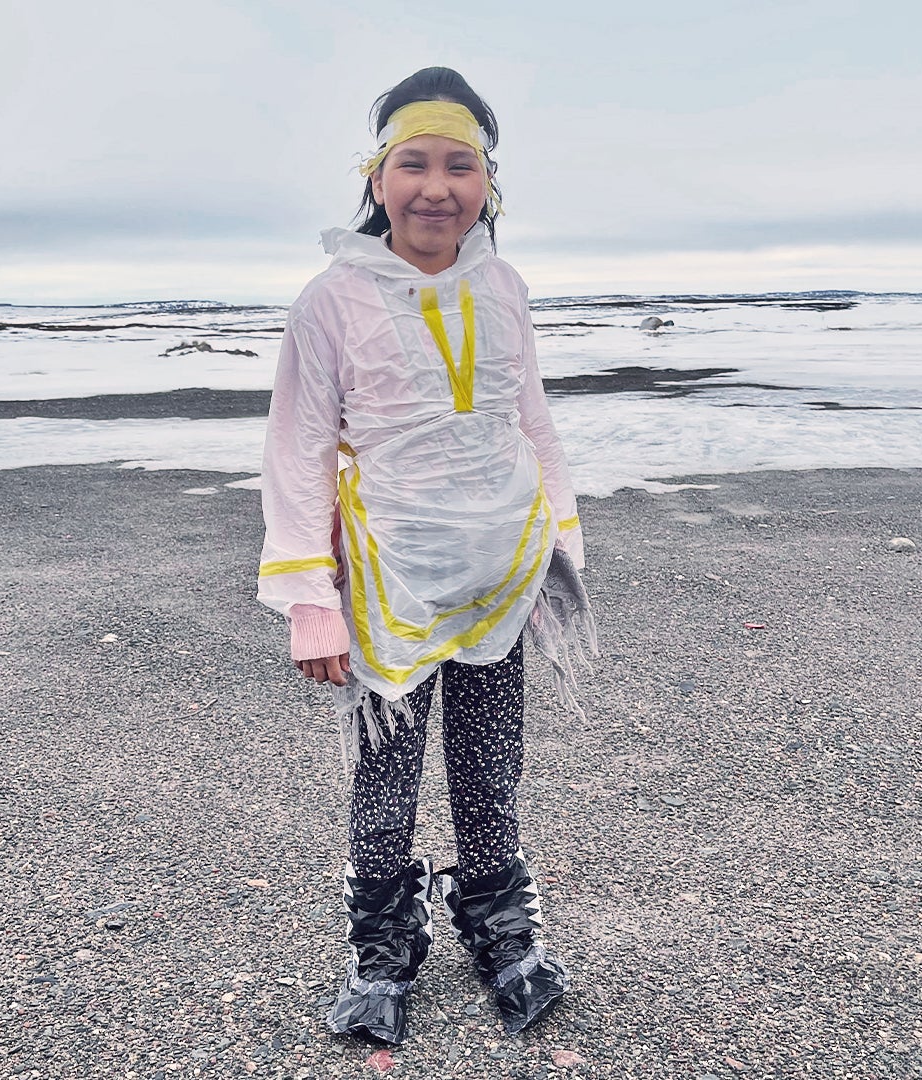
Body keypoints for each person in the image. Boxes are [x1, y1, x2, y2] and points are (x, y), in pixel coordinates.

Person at [257, 66, 595, 1045]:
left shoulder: (506, 288)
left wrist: (558, 556)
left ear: (488, 181)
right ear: (377, 176)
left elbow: (531, 426)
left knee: (492, 775)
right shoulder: (332, 300)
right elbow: (297, 450)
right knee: (385, 783)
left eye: (461, 164)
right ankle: (382, 955)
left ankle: (500, 931)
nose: (436, 186)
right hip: (387, 589)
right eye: (415, 163)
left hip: (501, 576)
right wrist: (310, 599)